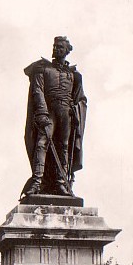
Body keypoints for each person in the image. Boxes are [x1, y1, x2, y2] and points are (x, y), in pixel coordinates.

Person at [21, 36, 88, 198]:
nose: (56, 49)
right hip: (49, 111)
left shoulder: (74, 75)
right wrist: (42, 112)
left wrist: (76, 111)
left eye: (60, 47)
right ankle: (37, 182)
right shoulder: (41, 68)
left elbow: (79, 98)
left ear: (67, 51)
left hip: (66, 112)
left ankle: (61, 183)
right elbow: (38, 91)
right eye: (55, 46)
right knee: (41, 143)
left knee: (63, 146)